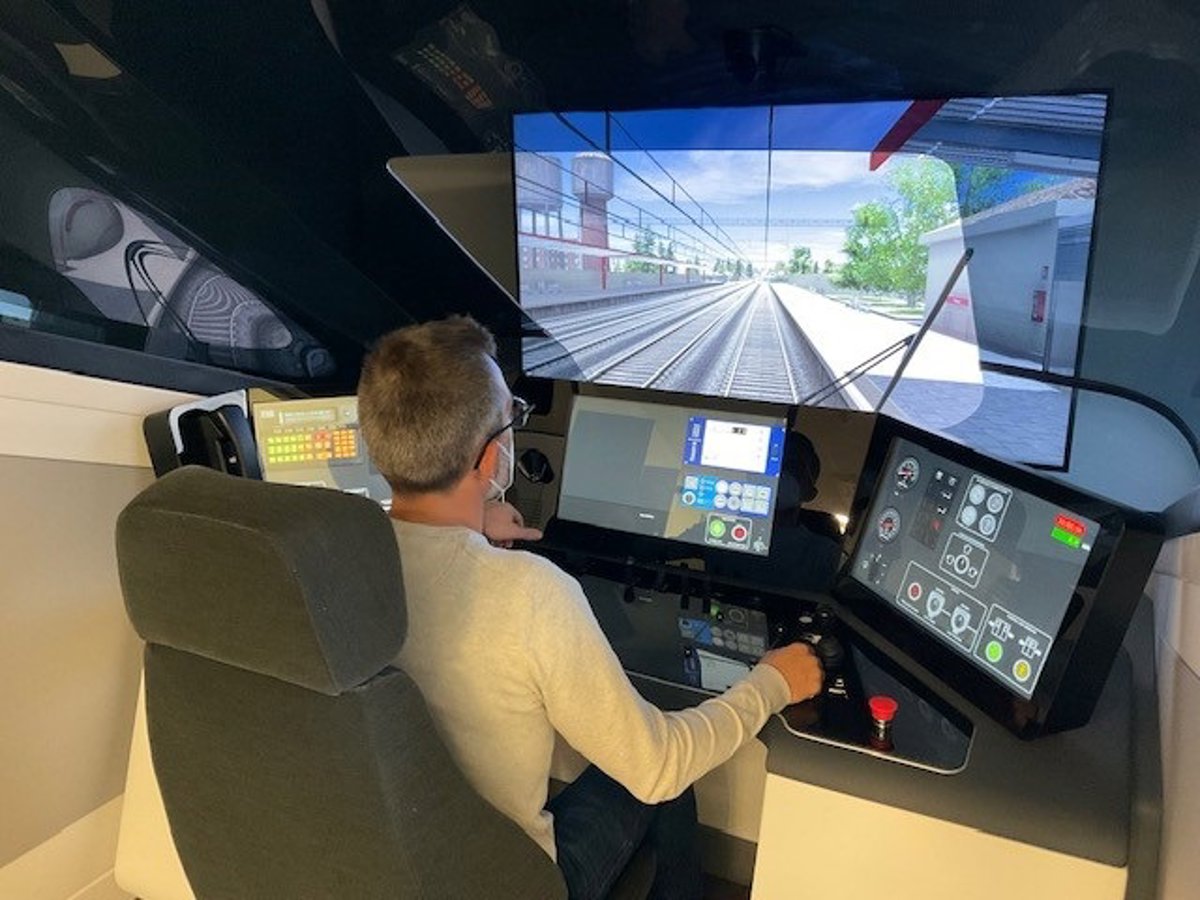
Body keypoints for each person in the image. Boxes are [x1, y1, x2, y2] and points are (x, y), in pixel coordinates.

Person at [357, 315, 823, 900]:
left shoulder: (345, 558)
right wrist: (773, 684)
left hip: (398, 863)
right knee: (665, 774)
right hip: (514, 882)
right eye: (512, 419)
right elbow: (657, 767)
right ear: (489, 460)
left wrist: (469, 526)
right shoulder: (530, 592)